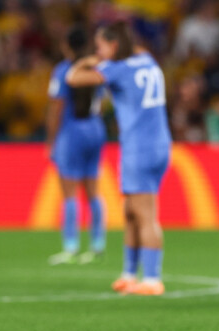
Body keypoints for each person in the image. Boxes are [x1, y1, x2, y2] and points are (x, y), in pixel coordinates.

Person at [66, 21, 171, 296]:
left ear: (113, 45)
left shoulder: (117, 69)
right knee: (132, 212)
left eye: (100, 46)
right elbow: (135, 50)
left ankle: (151, 279)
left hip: (139, 147)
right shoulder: (146, 59)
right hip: (159, 145)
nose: (98, 52)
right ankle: (128, 274)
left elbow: (73, 78)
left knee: (145, 214)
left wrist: (88, 61)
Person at [46, 26, 106, 265]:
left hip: (72, 131)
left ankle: (70, 247)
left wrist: (51, 140)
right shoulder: (96, 69)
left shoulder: (63, 71)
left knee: (69, 193)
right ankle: (97, 245)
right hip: (96, 128)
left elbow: (56, 107)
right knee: (93, 191)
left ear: (67, 46)